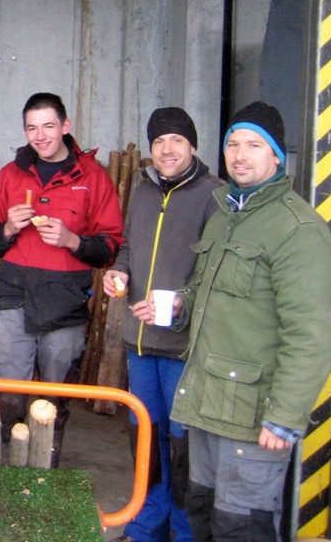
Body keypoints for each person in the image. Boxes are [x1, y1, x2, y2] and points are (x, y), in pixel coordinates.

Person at [150, 102, 331, 542]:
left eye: (254, 145)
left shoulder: (297, 230)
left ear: (277, 157)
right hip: (206, 405)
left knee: (241, 527)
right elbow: (206, 290)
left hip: (253, 416)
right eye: (233, 144)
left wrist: (284, 416)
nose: (240, 155)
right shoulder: (225, 216)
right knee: (201, 514)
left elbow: (309, 337)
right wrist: (181, 305)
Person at [0, 91, 124, 465]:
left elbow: (110, 246)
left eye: (48, 126)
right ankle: (5, 475)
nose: (40, 136)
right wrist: (8, 227)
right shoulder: (10, 176)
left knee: (52, 402)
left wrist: (73, 240)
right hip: (13, 295)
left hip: (65, 300)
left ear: (65, 126)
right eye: (31, 128)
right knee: (7, 396)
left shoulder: (92, 178)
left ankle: (45, 475)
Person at [101, 108, 224, 542]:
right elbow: (129, 247)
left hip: (183, 347)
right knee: (146, 441)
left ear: (192, 145)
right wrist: (118, 271)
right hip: (140, 341)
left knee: (184, 445)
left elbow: (215, 271)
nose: (167, 149)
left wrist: (178, 305)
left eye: (176, 140)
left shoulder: (214, 196)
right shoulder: (143, 191)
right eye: (158, 142)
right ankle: (146, 526)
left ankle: (184, 530)